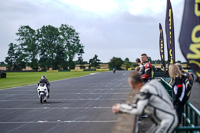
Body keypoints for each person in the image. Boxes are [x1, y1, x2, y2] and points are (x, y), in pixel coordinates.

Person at [112, 71, 178, 133]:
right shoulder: (152, 84)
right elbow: (139, 104)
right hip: (167, 118)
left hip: (167, 120)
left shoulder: (146, 90)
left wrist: (120, 107)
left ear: (132, 83)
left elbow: (138, 109)